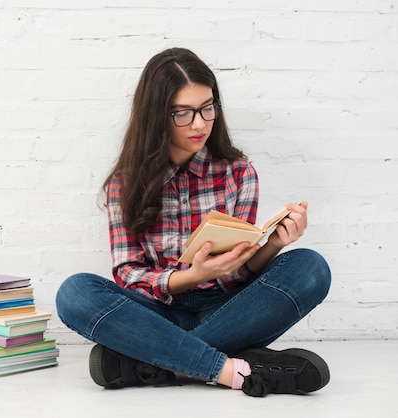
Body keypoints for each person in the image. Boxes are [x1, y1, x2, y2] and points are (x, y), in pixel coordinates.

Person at [55, 47, 331, 397]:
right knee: (74, 293)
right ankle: (229, 367)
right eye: (183, 114)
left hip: (229, 309)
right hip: (155, 315)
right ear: (156, 115)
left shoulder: (238, 172)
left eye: (207, 108)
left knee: (311, 268)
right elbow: (127, 274)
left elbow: (240, 270)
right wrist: (193, 276)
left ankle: (150, 363)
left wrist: (274, 243)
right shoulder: (124, 183)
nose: (200, 123)